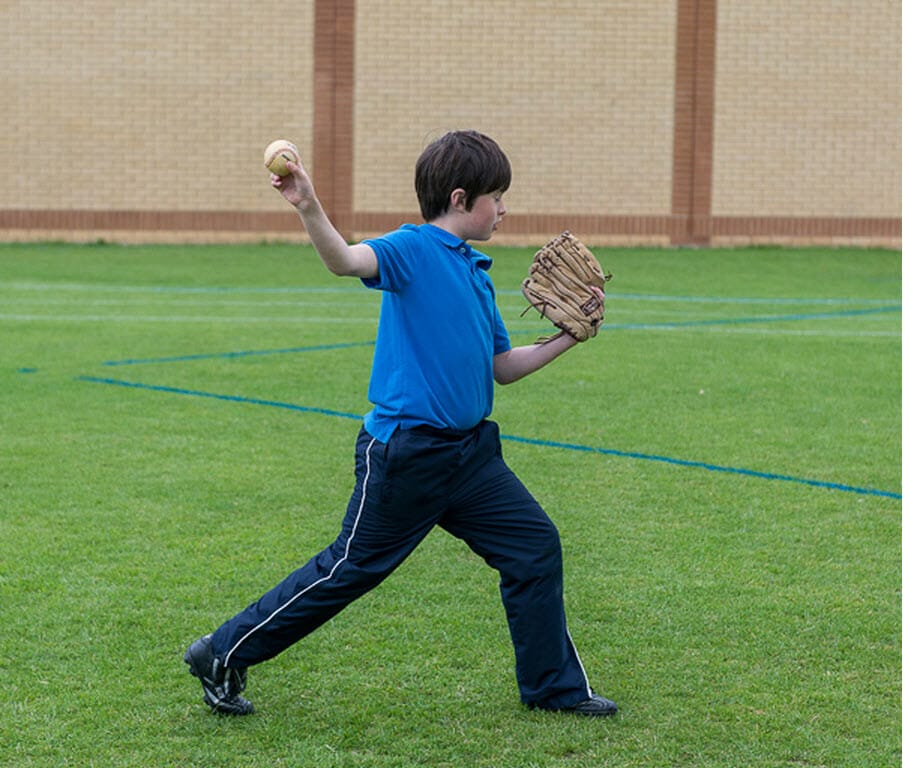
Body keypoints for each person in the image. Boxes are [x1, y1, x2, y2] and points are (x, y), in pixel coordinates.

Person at [184, 129, 617, 717]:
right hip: (407, 456)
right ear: (462, 199)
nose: (505, 207)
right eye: (497, 196)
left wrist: (569, 336)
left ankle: (554, 690)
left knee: (533, 547)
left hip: (470, 458)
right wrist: (308, 203)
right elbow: (346, 261)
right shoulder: (411, 249)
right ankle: (221, 651)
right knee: (348, 570)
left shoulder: (476, 272)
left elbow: (504, 368)